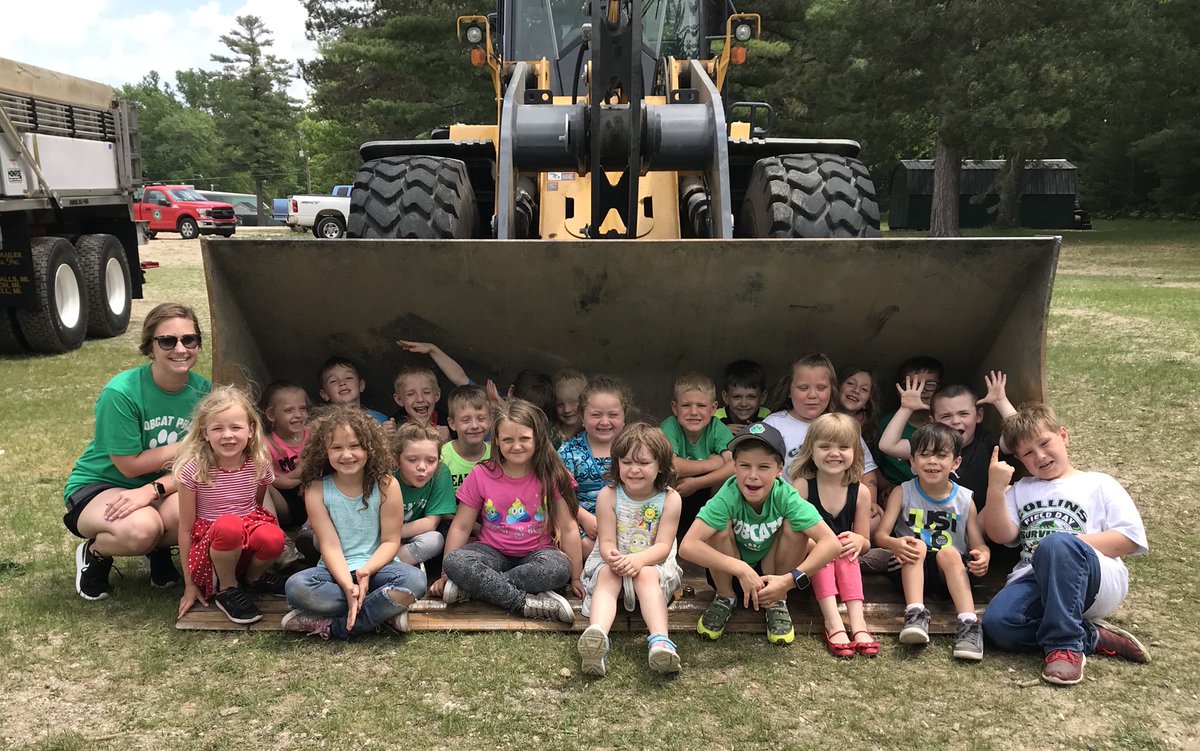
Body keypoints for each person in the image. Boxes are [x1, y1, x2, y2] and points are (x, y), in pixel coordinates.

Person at [983, 403, 1150, 686]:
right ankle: (1092, 636)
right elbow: (1001, 535)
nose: (1040, 456)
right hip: (1033, 579)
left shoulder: (1099, 483)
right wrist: (995, 488)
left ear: (1063, 436)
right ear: (1021, 460)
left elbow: (1129, 540)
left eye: (1045, 443)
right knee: (998, 624)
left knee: (1057, 545)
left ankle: (1066, 647)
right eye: (1028, 453)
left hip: (1094, 579)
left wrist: (1066, 544)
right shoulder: (1022, 489)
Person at [64, 302, 211, 601]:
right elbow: (129, 467)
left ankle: (158, 553)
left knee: (199, 513)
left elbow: (203, 462)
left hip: (161, 486)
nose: (180, 348)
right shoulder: (121, 392)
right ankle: (95, 553)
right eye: (167, 341)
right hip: (102, 483)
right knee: (142, 530)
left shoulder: (206, 393)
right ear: (150, 346)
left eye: (189, 339)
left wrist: (154, 489)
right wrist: (189, 443)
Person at [680, 422, 841, 644]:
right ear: (734, 466)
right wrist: (740, 568)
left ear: (779, 470)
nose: (752, 475)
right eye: (745, 465)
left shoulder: (786, 495)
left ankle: (778, 602)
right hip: (731, 572)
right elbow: (687, 546)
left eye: (763, 467)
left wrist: (788, 581)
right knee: (718, 528)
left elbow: (831, 543)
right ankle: (725, 597)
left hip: (773, 575)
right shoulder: (727, 495)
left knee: (797, 529)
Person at [282, 406, 427, 639]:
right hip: (334, 573)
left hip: (379, 569)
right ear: (324, 451)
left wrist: (366, 572)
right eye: (337, 447)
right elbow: (330, 545)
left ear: (369, 448)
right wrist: (348, 587)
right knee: (296, 587)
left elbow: (391, 541)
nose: (346, 455)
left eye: (355, 446)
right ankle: (383, 611)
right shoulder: (316, 489)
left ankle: (334, 627)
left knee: (415, 580)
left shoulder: (387, 485)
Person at [436, 399, 584, 623]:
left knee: (558, 569)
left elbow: (568, 527)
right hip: (491, 552)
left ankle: (477, 588)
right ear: (496, 440)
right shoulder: (481, 474)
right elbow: (462, 525)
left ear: (537, 438)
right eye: (507, 439)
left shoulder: (552, 473)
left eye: (524, 438)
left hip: (538, 553)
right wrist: (447, 574)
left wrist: (576, 577)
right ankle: (523, 603)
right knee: (455, 562)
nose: (516, 446)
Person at [874, 423, 989, 660]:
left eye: (940, 455)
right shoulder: (902, 491)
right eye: (924, 455)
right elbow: (881, 535)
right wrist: (895, 544)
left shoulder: (965, 499)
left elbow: (978, 544)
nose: (932, 461)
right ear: (912, 462)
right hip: (908, 567)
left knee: (949, 553)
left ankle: (968, 624)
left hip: (949, 573)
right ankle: (914, 613)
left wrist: (983, 556)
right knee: (916, 546)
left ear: (955, 463)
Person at [577, 423, 684, 676]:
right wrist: (613, 557)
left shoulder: (670, 499)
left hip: (652, 564)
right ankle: (597, 637)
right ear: (617, 463)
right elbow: (606, 543)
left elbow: (663, 547)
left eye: (644, 463)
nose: (634, 470)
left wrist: (638, 562)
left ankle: (660, 641)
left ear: (661, 465)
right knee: (607, 575)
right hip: (615, 560)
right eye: (626, 462)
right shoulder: (608, 495)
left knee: (645, 575)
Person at [175, 387, 286, 625]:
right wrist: (189, 584)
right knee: (229, 525)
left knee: (273, 536)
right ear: (205, 433)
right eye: (218, 428)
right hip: (211, 548)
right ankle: (226, 588)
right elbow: (185, 528)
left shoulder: (258, 464)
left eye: (236, 427)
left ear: (250, 430)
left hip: (242, 536)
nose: (227, 435)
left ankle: (252, 578)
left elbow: (257, 505)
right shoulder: (194, 470)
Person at [789, 413, 877, 658]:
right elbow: (793, 534)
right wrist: (823, 546)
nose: (834, 453)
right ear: (811, 450)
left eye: (843, 447)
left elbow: (866, 541)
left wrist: (859, 541)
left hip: (844, 560)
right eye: (825, 446)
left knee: (845, 549)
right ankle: (833, 622)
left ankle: (858, 624)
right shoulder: (802, 486)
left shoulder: (860, 492)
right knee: (827, 550)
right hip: (808, 560)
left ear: (855, 452)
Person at [878, 371, 1015, 510]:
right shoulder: (929, 443)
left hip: (982, 520)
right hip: (935, 525)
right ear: (932, 421)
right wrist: (906, 409)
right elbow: (888, 445)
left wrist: (1001, 401)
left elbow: (1020, 438)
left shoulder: (988, 442)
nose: (955, 421)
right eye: (946, 416)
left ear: (978, 415)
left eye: (963, 414)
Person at [763, 354, 880, 509]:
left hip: (837, 509)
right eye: (803, 388)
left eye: (821, 388)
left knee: (874, 520)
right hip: (789, 508)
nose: (812, 395)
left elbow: (868, 470)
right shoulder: (774, 424)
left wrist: (870, 504)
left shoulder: (842, 423)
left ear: (832, 390)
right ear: (789, 390)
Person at [558, 376, 630, 560]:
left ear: (624, 416)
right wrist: (583, 518)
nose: (604, 422)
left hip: (628, 521)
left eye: (613, 415)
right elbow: (559, 494)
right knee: (584, 547)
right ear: (582, 417)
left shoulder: (634, 448)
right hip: (586, 525)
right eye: (596, 415)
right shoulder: (569, 452)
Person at [659, 372, 734, 539]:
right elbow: (670, 465)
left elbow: (736, 465)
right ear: (674, 407)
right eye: (686, 405)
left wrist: (697, 483)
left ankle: (715, 534)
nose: (694, 412)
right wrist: (712, 463)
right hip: (676, 495)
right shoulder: (670, 426)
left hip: (706, 494)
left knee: (727, 483)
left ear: (713, 408)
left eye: (701, 406)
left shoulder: (717, 427)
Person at [394, 421, 456, 579]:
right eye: (412, 460)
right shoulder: (387, 475)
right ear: (397, 459)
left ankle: (386, 564)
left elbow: (431, 522)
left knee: (435, 540)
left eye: (430, 460)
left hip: (411, 533)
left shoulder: (440, 473)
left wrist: (392, 535)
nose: (422, 467)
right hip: (377, 535)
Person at [874, 355, 944, 489]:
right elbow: (871, 465)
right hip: (895, 491)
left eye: (929, 384)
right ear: (900, 389)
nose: (921, 390)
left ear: (941, 387)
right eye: (913, 385)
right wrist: (886, 487)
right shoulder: (887, 424)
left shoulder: (945, 424)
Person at [259, 380, 310, 528]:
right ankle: (275, 531)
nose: (298, 415)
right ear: (271, 414)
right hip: (284, 502)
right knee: (261, 484)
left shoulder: (313, 435)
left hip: (314, 498)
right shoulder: (266, 444)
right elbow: (272, 481)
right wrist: (299, 474)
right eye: (289, 410)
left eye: (303, 408)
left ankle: (311, 527)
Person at [441, 384, 493, 491]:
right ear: (452, 423)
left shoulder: (496, 455)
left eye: (481, 418)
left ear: (490, 420)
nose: (474, 426)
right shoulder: (442, 457)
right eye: (466, 420)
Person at [317, 355, 388, 424]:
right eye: (333, 381)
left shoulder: (379, 420)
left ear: (361, 385)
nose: (342, 383)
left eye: (348, 378)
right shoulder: (323, 425)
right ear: (324, 394)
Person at [390, 363, 451, 441]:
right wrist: (386, 439)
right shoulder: (395, 424)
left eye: (426, 392)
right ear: (399, 399)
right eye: (411, 394)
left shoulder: (448, 421)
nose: (420, 399)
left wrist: (449, 441)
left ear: (437, 395)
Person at [715, 359, 770, 434]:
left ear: (762, 397)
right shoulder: (716, 419)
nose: (744, 404)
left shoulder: (768, 418)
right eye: (737, 397)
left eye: (751, 397)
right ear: (726, 397)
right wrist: (721, 432)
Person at [836, 366, 880, 447]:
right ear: (838, 387)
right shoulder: (817, 422)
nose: (856, 390)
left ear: (867, 403)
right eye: (851, 383)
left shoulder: (865, 434)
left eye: (864, 389)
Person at [553, 368, 587, 443]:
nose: (567, 410)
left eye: (573, 402)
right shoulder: (551, 434)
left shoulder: (592, 432)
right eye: (560, 405)